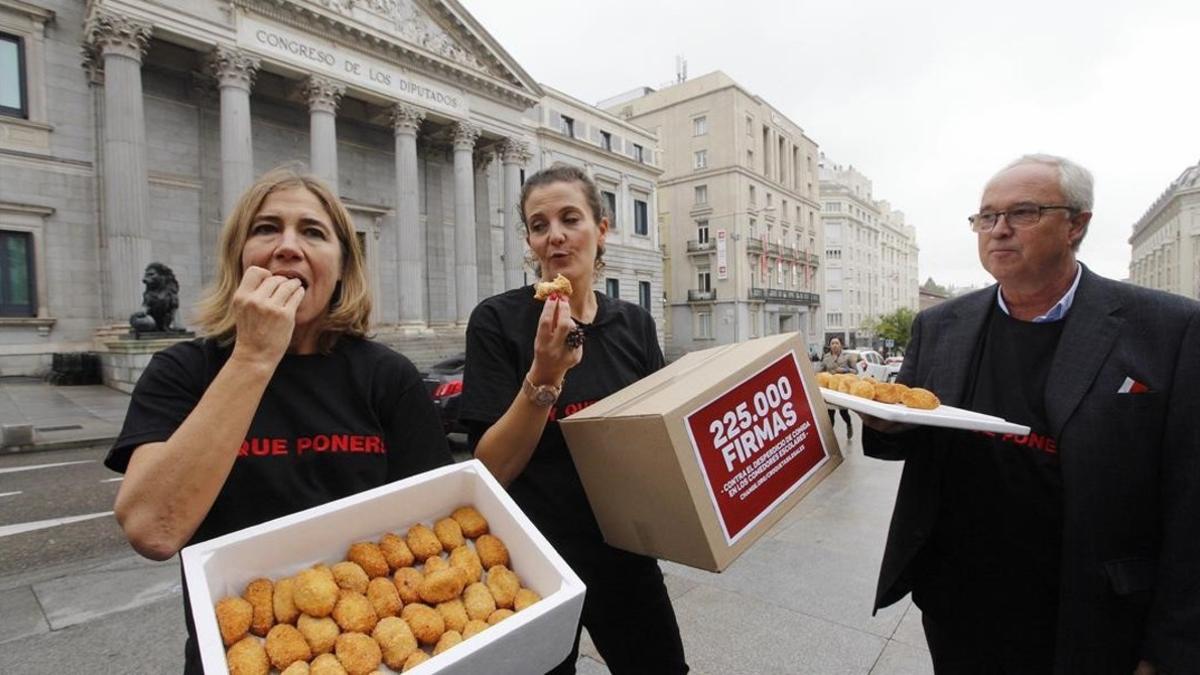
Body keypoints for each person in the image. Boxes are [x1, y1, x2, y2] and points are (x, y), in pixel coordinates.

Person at [861, 154, 1200, 674]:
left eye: (1022, 213)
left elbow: (1189, 499)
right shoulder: (942, 325)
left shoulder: (1167, 329)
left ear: (1076, 224)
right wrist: (883, 420)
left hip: (1093, 614)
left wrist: (1169, 647)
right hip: (960, 603)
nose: (998, 231)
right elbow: (910, 433)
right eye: (985, 217)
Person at [105, 167, 453, 672]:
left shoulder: (388, 376)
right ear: (238, 258)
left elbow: (432, 529)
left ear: (341, 267)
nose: (288, 247)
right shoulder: (181, 371)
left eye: (313, 232)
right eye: (267, 229)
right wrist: (253, 358)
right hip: (238, 652)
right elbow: (152, 530)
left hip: (371, 649)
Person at [459, 164, 688, 674]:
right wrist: (544, 375)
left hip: (623, 549)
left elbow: (656, 438)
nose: (555, 236)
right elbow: (491, 468)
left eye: (570, 218)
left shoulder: (634, 323)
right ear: (530, 242)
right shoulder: (497, 321)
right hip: (533, 556)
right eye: (540, 226)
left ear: (601, 228)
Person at [818, 336, 855, 437]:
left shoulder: (848, 356)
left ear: (841, 345)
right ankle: (830, 436)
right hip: (830, 388)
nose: (834, 345)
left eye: (837, 343)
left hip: (842, 389)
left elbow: (856, 371)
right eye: (832, 343)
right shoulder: (826, 357)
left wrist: (845, 370)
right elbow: (820, 370)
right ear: (829, 346)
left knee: (844, 413)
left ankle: (849, 425)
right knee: (830, 413)